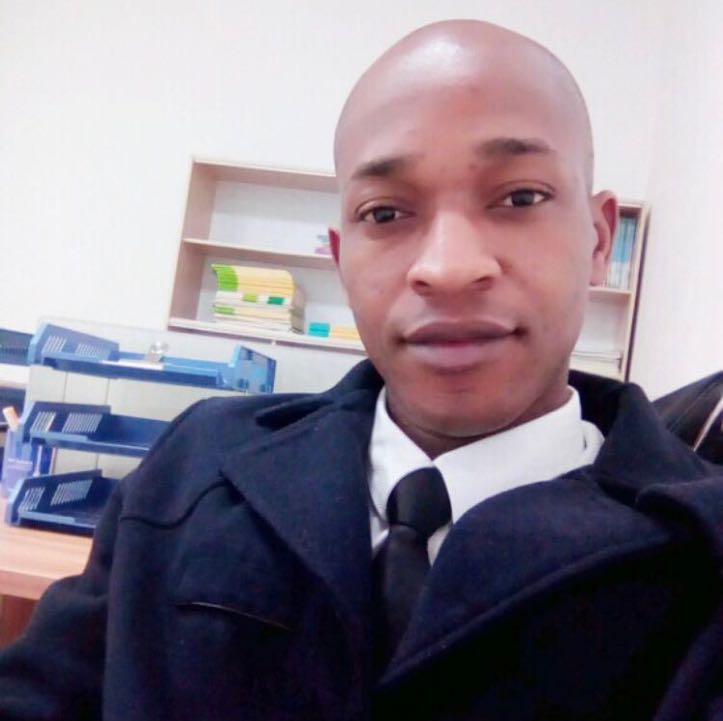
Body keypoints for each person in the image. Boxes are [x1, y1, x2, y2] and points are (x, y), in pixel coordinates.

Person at [1, 19, 722, 721]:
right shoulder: (197, 465)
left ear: (597, 239)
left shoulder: (700, 562)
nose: (447, 267)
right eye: (385, 213)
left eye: (519, 197)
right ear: (343, 259)